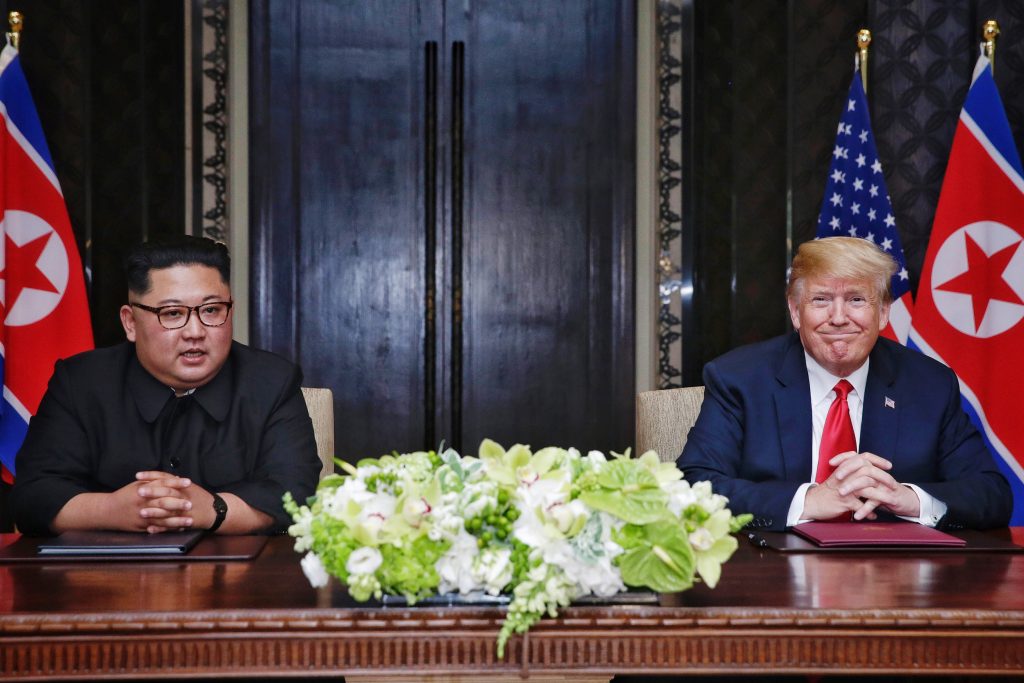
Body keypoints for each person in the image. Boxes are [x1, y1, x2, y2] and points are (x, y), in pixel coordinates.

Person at [678, 236, 1012, 531]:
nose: (838, 318)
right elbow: (694, 486)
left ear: (882, 313)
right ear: (796, 312)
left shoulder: (929, 386)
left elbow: (991, 494)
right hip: (774, 572)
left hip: (895, 580)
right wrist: (808, 501)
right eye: (821, 300)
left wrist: (910, 499)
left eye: (856, 300)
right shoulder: (739, 378)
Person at [11, 236, 321, 535]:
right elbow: (32, 496)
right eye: (173, 313)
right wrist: (113, 510)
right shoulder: (80, 382)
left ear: (231, 310)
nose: (195, 331)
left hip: (238, 580)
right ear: (130, 322)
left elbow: (295, 492)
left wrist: (212, 510)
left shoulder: (272, 380)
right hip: (103, 579)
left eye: (211, 310)